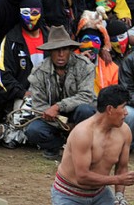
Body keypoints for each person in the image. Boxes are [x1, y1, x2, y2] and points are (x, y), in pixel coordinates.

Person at [27, 25, 96, 159]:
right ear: (50, 51)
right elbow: (39, 106)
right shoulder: (39, 71)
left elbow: (86, 96)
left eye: (64, 49)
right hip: (54, 119)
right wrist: (62, 122)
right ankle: (55, 146)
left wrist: (58, 106)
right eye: (56, 50)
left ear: (70, 50)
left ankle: (80, 148)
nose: (60, 54)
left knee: (86, 110)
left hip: (77, 115)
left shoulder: (85, 66)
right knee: (33, 130)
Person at [0, 0, 49, 116]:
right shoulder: (10, 40)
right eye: (25, 13)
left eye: (34, 12)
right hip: (22, 97)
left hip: (51, 96)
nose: (30, 17)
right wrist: (22, 93)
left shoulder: (51, 38)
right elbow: (1, 74)